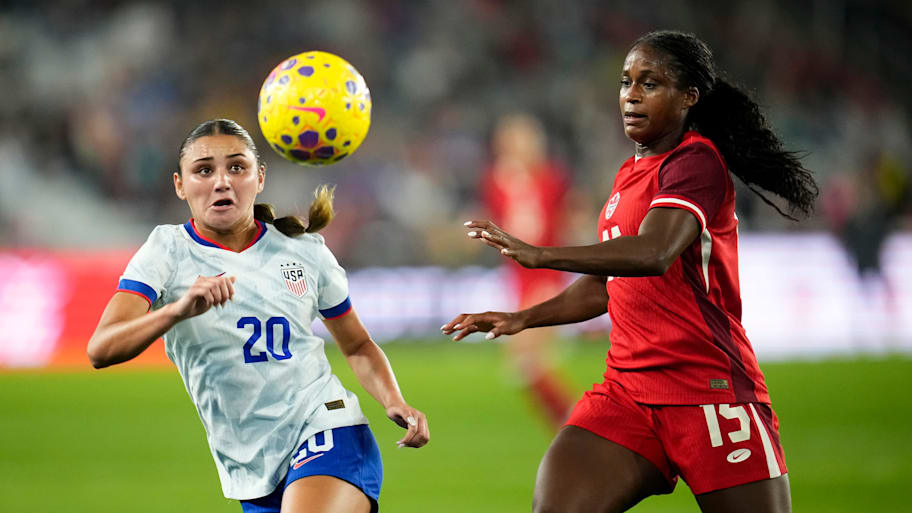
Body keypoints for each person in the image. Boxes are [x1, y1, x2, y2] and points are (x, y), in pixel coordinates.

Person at [443, 31, 817, 513]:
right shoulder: (629, 173)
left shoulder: (696, 161)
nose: (632, 95)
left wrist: (540, 254)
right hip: (627, 394)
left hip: (708, 392)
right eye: (626, 82)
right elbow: (607, 285)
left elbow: (654, 252)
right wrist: (523, 318)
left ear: (688, 97)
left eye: (650, 83)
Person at [87, 118, 429, 513]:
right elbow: (101, 349)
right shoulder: (166, 251)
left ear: (259, 177)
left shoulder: (303, 251)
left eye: (237, 167)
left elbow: (356, 344)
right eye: (203, 170)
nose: (222, 181)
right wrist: (177, 311)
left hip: (326, 429)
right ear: (180, 185)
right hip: (250, 464)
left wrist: (393, 399)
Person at [481, 112, 574, 430]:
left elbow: (561, 222)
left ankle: (578, 425)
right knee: (524, 363)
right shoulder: (497, 181)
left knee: (525, 358)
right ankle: (574, 426)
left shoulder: (551, 179)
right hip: (519, 279)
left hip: (546, 275)